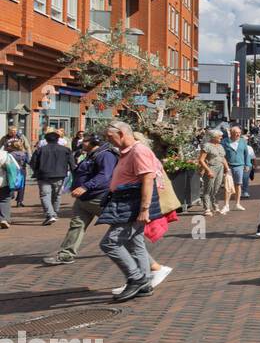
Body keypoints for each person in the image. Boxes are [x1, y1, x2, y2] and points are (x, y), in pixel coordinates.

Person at [97, 121, 165, 302]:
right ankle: (145, 284)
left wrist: (144, 209)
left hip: (131, 206)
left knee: (110, 243)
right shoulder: (126, 152)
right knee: (135, 244)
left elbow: (148, 180)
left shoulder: (138, 151)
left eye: (110, 137)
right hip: (126, 203)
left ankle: (136, 278)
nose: (108, 140)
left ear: (121, 133)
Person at [42, 134, 118, 264]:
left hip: (99, 198)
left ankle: (134, 245)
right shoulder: (91, 155)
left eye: (85, 141)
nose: (82, 142)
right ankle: (66, 254)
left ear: (94, 142)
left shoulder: (106, 155)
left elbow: (104, 176)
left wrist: (85, 187)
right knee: (76, 225)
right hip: (84, 200)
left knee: (119, 224)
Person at [30, 130, 74, 225]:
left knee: (45, 195)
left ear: (46, 140)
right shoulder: (65, 150)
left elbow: (33, 162)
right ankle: (54, 213)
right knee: (57, 195)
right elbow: (72, 164)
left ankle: (50, 215)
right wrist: (74, 174)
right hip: (60, 175)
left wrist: (36, 171)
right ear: (58, 139)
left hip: (43, 175)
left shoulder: (40, 150)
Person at [198, 129, 230, 217]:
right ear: (213, 137)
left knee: (217, 188)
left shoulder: (220, 146)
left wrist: (227, 168)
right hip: (211, 168)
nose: (221, 138)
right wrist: (208, 170)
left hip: (220, 168)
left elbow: (223, 158)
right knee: (208, 188)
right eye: (219, 136)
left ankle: (215, 207)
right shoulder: (207, 146)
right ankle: (207, 208)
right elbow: (201, 160)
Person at [223, 125, 253, 208]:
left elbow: (246, 154)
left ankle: (237, 203)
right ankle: (226, 204)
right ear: (231, 133)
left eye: (239, 133)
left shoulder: (243, 141)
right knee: (227, 185)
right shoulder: (225, 141)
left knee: (238, 184)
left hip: (239, 166)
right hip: (228, 166)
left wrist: (247, 164)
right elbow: (221, 154)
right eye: (236, 133)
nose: (238, 134)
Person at [0, 137, 26, 228]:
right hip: (3, 182)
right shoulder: (5, 155)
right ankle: (4, 219)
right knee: (4, 200)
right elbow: (15, 169)